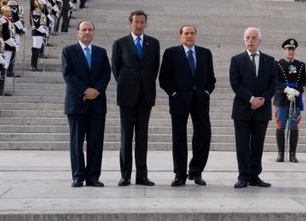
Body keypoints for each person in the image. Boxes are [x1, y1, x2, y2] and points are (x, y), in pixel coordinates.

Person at [159, 25, 216, 187]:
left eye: (192, 33)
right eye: (186, 33)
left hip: (200, 101)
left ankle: (196, 172)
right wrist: (173, 94)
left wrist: (206, 92)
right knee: (179, 138)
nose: (189, 36)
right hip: (179, 101)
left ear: (196, 35)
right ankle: (180, 174)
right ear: (180, 36)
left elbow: (211, 79)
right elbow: (164, 78)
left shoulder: (205, 53)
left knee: (204, 135)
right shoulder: (171, 53)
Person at [112, 10, 160, 187]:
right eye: (136, 22)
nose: (139, 25)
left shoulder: (153, 43)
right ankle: (125, 175)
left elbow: (155, 68)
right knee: (126, 136)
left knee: (142, 136)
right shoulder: (120, 44)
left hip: (145, 96)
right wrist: (128, 84)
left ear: (145, 24)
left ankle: (142, 175)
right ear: (130, 23)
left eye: (142, 22)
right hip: (127, 95)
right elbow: (116, 69)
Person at [62, 21, 111, 188]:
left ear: (94, 33)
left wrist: (96, 90)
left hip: (97, 104)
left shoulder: (101, 52)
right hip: (77, 103)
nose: (87, 32)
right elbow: (68, 74)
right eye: (84, 30)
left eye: (90, 30)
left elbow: (106, 74)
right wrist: (84, 91)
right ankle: (78, 176)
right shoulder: (69, 51)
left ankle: (93, 177)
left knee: (96, 143)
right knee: (76, 142)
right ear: (78, 33)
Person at [230, 27, 277, 189]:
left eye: (254, 38)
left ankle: (254, 176)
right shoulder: (236, 60)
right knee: (242, 144)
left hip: (262, 110)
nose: (250, 40)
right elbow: (235, 83)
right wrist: (250, 98)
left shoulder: (270, 61)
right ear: (244, 40)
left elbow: (273, 83)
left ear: (259, 41)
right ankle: (243, 176)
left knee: (258, 144)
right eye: (247, 37)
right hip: (242, 109)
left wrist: (262, 99)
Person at [274, 38, 306, 163]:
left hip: (296, 99)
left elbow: (304, 81)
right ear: (284, 50)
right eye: (288, 49)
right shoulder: (277, 64)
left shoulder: (301, 65)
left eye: (292, 49)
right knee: (281, 125)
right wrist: (286, 90)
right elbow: (275, 81)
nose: (290, 51)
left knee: (294, 126)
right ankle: (281, 153)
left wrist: (298, 91)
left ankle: (292, 154)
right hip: (282, 98)